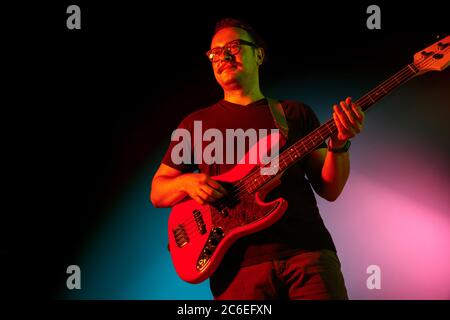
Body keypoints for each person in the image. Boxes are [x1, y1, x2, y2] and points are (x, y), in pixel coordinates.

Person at [150, 18, 364, 300]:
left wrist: (339, 146)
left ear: (259, 54)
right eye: (215, 53)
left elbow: (330, 189)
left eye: (234, 47)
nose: (223, 56)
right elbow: (158, 191)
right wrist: (188, 182)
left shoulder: (293, 114)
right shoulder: (194, 124)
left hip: (307, 255)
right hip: (235, 269)